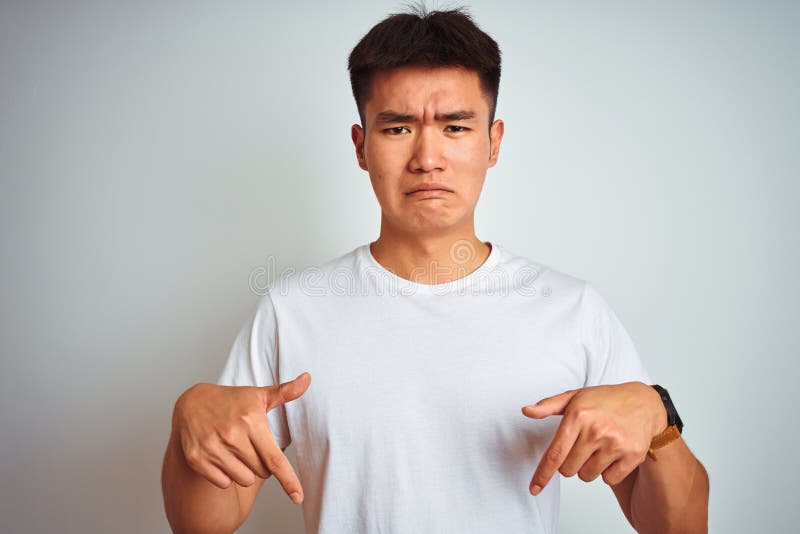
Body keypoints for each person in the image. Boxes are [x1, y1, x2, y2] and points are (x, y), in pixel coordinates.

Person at [161, 6, 709, 534]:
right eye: (397, 128)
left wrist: (660, 420)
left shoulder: (572, 308)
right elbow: (204, 521)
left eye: (455, 127)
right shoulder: (291, 311)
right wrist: (186, 421)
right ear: (361, 146)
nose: (427, 157)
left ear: (493, 143)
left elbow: (679, 527)